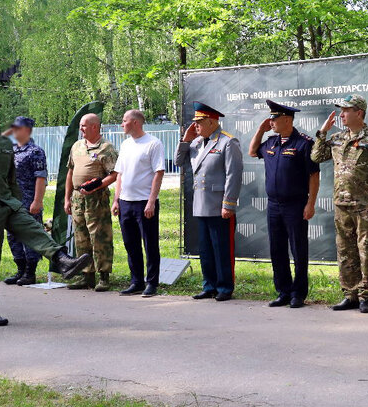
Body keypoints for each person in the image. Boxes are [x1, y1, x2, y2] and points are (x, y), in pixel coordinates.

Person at [0, 101, 91, 326]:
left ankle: (62, 260)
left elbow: (11, 177)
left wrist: (17, 201)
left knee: (33, 227)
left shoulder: (5, 143)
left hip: (9, 203)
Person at [312, 94, 368, 314]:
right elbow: (317, 156)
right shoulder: (337, 138)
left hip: (365, 206)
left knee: (366, 251)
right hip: (341, 205)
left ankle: (367, 296)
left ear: (359, 113)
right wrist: (323, 132)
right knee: (345, 251)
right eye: (341, 110)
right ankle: (350, 294)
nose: (342, 114)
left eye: (346, 110)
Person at [249, 99, 319, 308]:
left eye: (274, 118)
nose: (271, 122)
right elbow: (253, 151)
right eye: (270, 119)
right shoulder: (271, 142)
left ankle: (298, 293)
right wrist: (261, 131)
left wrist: (311, 203)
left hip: (295, 205)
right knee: (277, 249)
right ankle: (283, 291)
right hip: (274, 205)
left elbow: (313, 176)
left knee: (298, 250)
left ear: (287, 119)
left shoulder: (304, 143)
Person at [175, 102, 242, 301]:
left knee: (222, 248)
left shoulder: (227, 142)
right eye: (195, 123)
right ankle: (209, 285)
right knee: (205, 249)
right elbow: (179, 162)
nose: (195, 126)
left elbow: (233, 175)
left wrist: (228, 204)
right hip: (201, 203)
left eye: (199, 123)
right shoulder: (196, 143)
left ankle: (224, 287)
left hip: (218, 203)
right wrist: (186, 140)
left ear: (212, 122)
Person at [112, 109, 165, 297]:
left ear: (135, 122)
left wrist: (151, 202)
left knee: (150, 244)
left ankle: (152, 283)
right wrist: (116, 199)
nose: (121, 124)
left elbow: (158, 173)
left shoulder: (153, 143)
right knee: (130, 244)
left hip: (144, 202)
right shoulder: (126, 144)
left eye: (124, 120)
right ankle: (136, 281)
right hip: (126, 202)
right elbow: (120, 173)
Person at [63, 113, 118, 291]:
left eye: (84, 126)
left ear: (95, 127)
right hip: (78, 198)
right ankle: (86, 276)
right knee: (81, 237)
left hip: (96, 199)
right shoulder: (77, 146)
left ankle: (103, 276)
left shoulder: (106, 148)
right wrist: (67, 198)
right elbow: (70, 173)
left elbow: (115, 174)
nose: (81, 129)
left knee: (99, 237)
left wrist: (97, 186)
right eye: (80, 125)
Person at [3, 116, 49, 286]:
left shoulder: (35, 151)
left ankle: (30, 272)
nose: (14, 131)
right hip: (12, 202)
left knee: (29, 236)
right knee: (13, 236)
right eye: (13, 128)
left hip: (29, 201)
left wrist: (37, 201)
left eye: (18, 128)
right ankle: (20, 270)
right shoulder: (11, 150)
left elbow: (40, 177)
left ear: (27, 130)